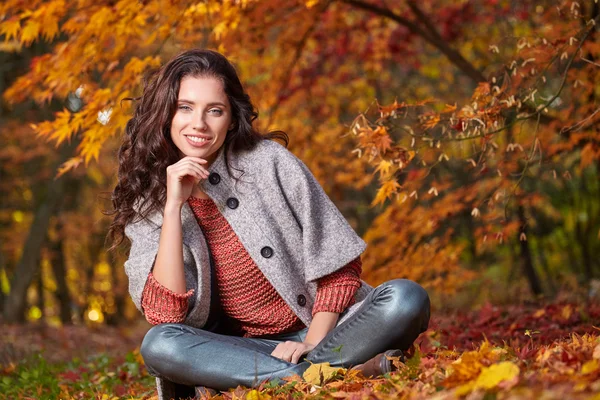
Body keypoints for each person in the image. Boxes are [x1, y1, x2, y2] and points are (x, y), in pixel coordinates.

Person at [109, 49, 430, 400]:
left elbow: (339, 268)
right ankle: (330, 374)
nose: (198, 124)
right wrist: (173, 208)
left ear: (231, 119)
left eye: (214, 110)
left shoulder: (269, 162)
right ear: (167, 114)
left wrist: (311, 343)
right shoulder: (150, 200)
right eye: (185, 108)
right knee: (160, 344)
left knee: (405, 298)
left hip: (327, 331)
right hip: (241, 351)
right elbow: (166, 313)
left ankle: (289, 377)